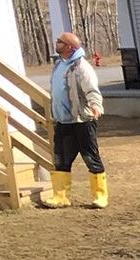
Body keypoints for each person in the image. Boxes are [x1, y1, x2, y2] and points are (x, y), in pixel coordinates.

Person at [41, 32, 109, 209]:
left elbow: (91, 89)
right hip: (63, 121)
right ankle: (60, 196)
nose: (56, 43)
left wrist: (96, 105)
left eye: (60, 42)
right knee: (61, 158)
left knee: (91, 157)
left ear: (69, 47)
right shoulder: (58, 65)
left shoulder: (81, 67)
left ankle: (100, 196)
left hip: (82, 120)